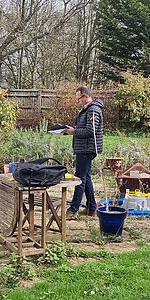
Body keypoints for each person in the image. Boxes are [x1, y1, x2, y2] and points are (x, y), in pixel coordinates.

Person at [63, 86, 104, 218]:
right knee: (86, 177)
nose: (78, 101)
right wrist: (73, 129)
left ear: (85, 97)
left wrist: (74, 132)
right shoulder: (88, 110)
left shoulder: (93, 110)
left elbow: (90, 131)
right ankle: (92, 208)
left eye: (78, 99)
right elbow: (85, 128)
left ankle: (73, 209)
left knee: (80, 178)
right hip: (83, 148)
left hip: (87, 148)